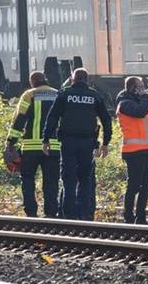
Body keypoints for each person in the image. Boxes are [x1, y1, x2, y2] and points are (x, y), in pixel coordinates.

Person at [42, 68, 111, 221]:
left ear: (73, 79)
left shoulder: (64, 94)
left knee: (68, 179)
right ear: (87, 80)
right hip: (88, 143)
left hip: (68, 142)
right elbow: (106, 120)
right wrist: (105, 143)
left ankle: (69, 214)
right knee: (85, 179)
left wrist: (46, 139)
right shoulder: (95, 96)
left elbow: (52, 117)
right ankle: (84, 214)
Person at [6, 71, 61, 218]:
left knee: (28, 178)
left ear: (32, 82)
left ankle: (31, 212)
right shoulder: (58, 94)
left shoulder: (29, 95)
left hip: (31, 148)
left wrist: (11, 141)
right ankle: (51, 213)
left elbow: (20, 119)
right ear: (45, 79)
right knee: (51, 181)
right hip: (53, 147)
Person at [116, 76, 148, 225]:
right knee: (134, 184)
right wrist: (145, 96)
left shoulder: (136, 102)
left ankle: (140, 216)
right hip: (133, 151)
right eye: (140, 87)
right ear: (133, 88)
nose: (143, 89)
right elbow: (140, 112)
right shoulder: (124, 103)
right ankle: (128, 216)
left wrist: (143, 97)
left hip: (144, 150)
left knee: (147, 184)